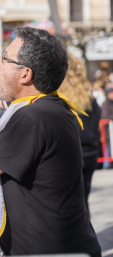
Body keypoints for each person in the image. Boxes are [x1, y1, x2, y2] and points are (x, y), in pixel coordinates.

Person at [0, 23, 101, 255]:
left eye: (5, 58)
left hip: (50, 252)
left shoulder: (34, 117)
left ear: (25, 74)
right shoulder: (44, 105)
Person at [59, 54, 101, 209]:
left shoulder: (59, 99)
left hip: (69, 156)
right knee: (83, 202)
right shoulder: (90, 98)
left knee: (67, 205)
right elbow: (95, 125)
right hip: (90, 154)